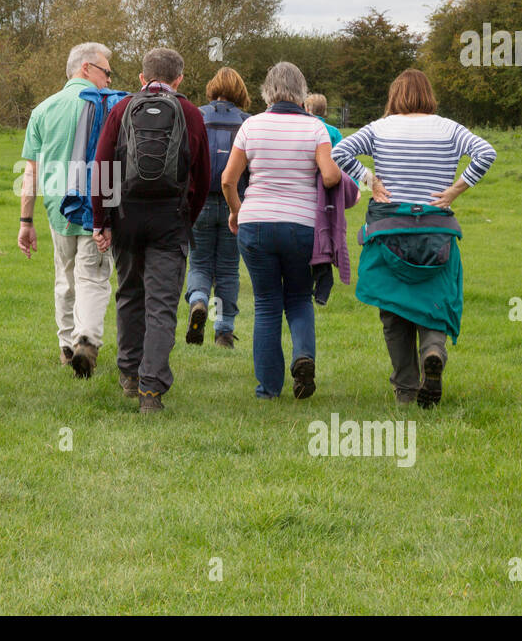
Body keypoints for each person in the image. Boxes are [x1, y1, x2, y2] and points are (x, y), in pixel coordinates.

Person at [331, 69, 496, 407]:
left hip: (389, 228)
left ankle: (406, 389)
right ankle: (433, 351)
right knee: (434, 298)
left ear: (395, 95)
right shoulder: (449, 128)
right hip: (436, 228)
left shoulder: (380, 127)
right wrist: (454, 191)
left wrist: (369, 181)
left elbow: (340, 152)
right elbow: (486, 153)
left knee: (393, 309)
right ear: (428, 95)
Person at [92, 48, 210, 412]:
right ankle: (151, 389)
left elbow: (104, 166)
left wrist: (102, 220)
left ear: (143, 78)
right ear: (179, 80)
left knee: (129, 293)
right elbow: (203, 177)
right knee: (161, 304)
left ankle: (129, 373)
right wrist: (185, 220)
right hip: (169, 218)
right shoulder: (190, 114)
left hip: (127, 215)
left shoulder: (122, 109)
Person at [220, 62, 342, 400]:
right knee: (300, 299)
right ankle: (303, 357)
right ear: (301, 92)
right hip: (302, 225)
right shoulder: (315, 129)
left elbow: (228, 180)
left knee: (267, 304)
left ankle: (268, 390)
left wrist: (236, 211)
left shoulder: (251, 126)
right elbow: (330, 176)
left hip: (256, 223)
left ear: (267, 92)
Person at [18, 42, 119, 378]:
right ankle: (86, 341)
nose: (108, 79)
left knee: (65, 276)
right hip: (98, 205)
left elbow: (30, 172)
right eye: (106, 71)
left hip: (58, 210)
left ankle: (66, 346)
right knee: (93, 275)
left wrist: (25, 220)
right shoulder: (108, 107)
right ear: (86, 68)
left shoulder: (42, 110)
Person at [185, 67, 252, 349]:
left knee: (199, 263)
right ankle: (223, 331)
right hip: (234, 202)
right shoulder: (248, 122)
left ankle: (199, 300)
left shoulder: (196, 116)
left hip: (199, 202)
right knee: (227, 268)